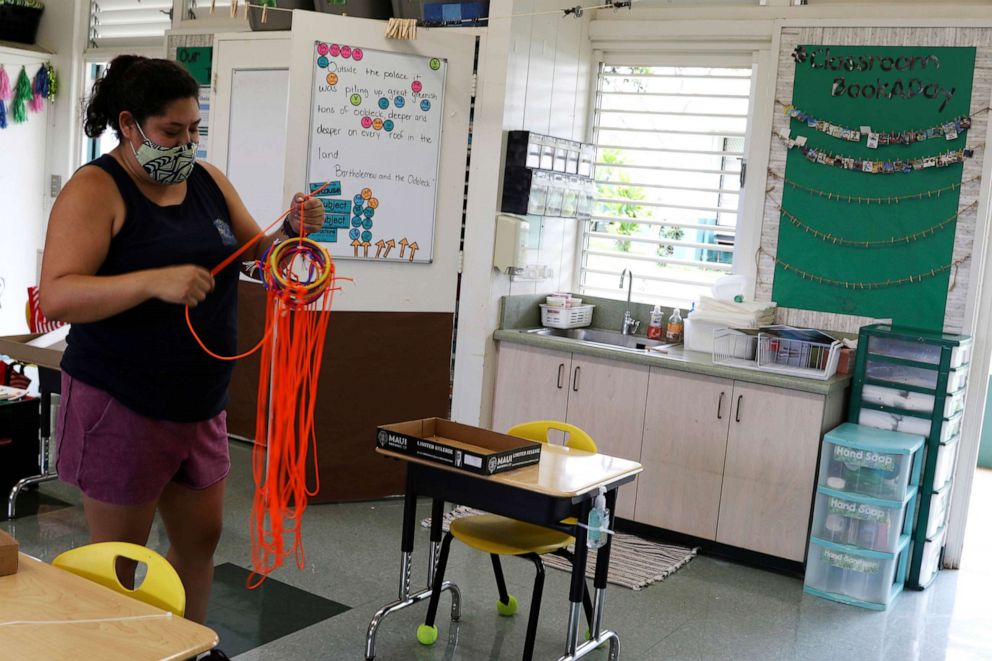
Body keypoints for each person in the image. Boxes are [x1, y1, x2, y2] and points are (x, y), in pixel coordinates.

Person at [40, 55, 323, 655]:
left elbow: (255, 253)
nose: (187, 142)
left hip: (199, 403)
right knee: (117, 562)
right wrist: (152, 281)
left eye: (195, 129)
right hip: (121, 403)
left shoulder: (208, 181)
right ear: (130, 124)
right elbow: (60, 293)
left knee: (199, 543)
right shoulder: (95, 190)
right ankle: (112, 651)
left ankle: (188, 647)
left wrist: (291, 231)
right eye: (172, 132)